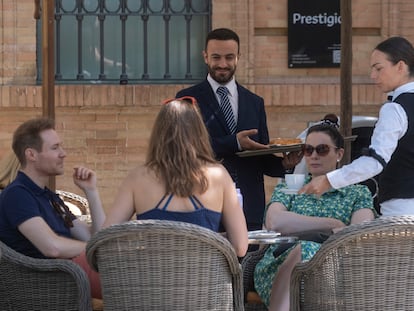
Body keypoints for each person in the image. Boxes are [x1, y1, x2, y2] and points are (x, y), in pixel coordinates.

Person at [176, 28, 299, 231]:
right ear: (205, 57)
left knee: (248, 263)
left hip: (249, 208)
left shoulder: (254, 102)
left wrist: (284, 164)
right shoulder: (187, 99)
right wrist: (234, 142)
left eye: (229, 57)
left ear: (239, 57)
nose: (223, 64)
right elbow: (185, 149)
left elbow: (260, 155)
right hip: (203, 205)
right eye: (216, 57)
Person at [102, 97, 248, 257]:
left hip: (150, 279)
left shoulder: (138, 178)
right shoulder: (219, 175)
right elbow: (240, 247)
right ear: (199, 133)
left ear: (158, 134)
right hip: (205, 280)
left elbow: (105, 239)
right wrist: (211, 240)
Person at [254, 123, 376, 311]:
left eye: (322, 149)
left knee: (307, 248)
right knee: (304, 248)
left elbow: (357, 236)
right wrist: (331, 224)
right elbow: (275, 222)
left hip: (336, 269)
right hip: (278, 263)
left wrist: (298, 224)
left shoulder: (357, 193)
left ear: (339, 154)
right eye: (308, 150)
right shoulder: (292, 186)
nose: (314, 156)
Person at [300, 36, 414, 216]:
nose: (373, 76)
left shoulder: (395, 109)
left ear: (400, 66)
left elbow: (375, 161)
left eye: (378, 68)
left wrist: (329, 180)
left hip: (403, 213)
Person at [0, 117, 105, 299]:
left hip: (71, 273)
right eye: (55, 148)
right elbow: (52, 247)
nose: (63, 154)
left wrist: (91, 191)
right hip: (46, 283)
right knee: (132, 283)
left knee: (137, 276)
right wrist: (95, 249)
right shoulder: (17, 194)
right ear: (31, 154)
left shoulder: (50, 196)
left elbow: (94, 236)